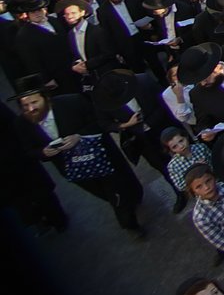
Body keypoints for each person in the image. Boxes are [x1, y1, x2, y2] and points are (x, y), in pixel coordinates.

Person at [14, 74, 145, 235]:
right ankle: (127, 202)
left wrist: (79, 136)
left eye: (34, 102)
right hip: (73, 169)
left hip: (100, 157)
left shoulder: (72, 102)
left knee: (116, 191)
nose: (31, 109)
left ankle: (130, 223)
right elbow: (28, 149)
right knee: (106, 193)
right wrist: (43, 152)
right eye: (25, 105)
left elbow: (100, 123)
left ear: (46, 98)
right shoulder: (22, 123)